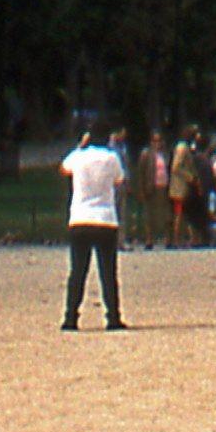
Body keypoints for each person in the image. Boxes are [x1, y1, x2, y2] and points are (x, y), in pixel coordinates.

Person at [59, 126, 129, 332]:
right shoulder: (111, 158)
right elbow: (119, 180)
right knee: (108, 272)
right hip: (105, 218)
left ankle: (71, 317)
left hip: (80, 218)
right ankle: (113, 316)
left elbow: (64, 169)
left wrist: (80, 146)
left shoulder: (78, 156)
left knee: (78, 271)